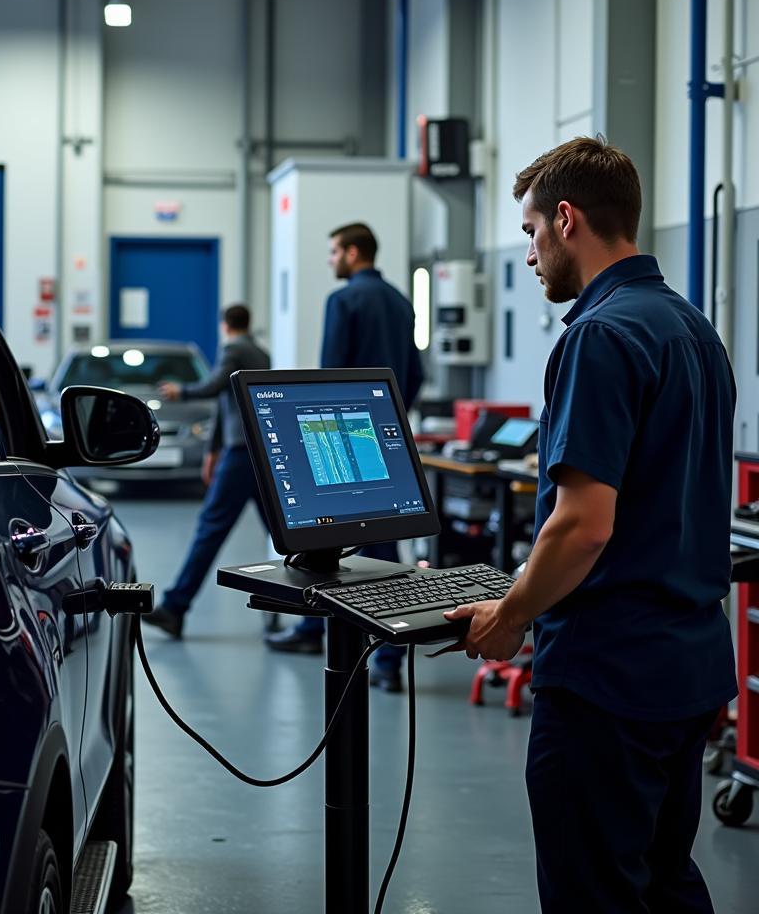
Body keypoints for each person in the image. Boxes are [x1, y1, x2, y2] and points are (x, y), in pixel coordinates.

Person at [443, 136, 737, 913]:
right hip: (686, 666)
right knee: (664, 880)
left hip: (610, 678)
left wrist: (510, 615)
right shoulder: (692, 330)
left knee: (596, 893)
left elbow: (582, 527)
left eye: (533, 231)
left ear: (567, 219)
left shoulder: (600, 336)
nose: (532, 253)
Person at [265, 222, 424, 693]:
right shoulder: (400, 301)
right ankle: (392, 656)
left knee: (328, 538)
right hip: (387, 434)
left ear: (354, 253)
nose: (331, 260)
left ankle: (319, 629)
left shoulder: (343, 301)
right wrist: (391, 419)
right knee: (385, 540)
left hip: (339, 435)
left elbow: (327, 376)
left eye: (334, 251)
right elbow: (415, 373)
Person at [141, 304, 270, 639]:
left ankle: (175, 607)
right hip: (253, 452)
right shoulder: (259, 352)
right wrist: (213, 450)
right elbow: (227, 402)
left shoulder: (234, 349)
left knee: (210, 527)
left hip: (240, 455)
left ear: (224, 324)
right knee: (283, 535)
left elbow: (215, 386)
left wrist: (180, 391)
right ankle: (309, 614)